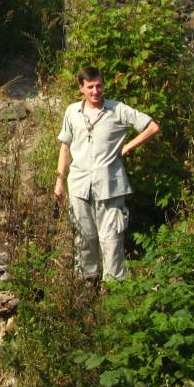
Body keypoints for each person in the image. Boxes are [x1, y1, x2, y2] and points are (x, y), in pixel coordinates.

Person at [54, 66, 159, 283]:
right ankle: (87, 286)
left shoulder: (117, 110)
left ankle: (114, 290)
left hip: (110, 187)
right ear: (81, 88)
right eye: (90, 87)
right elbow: (65, 147)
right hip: (79, 185)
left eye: (99, 85)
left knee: (111, 240)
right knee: (84, 239)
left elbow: (152, 127)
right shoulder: (72, 112)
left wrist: (128, 146)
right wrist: (59, 182)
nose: (95, 91)